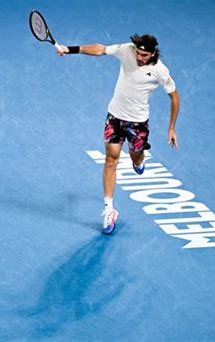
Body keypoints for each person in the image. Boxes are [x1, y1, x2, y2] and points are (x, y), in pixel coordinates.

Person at [57, 34, 180, 235]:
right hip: (114, 117)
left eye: (144, 55)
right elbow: (101, 49)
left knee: (135, 156)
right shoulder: (127, 50)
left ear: (153, 53)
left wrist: (172, 128)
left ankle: (139, 161)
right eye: (138, 53)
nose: (140, 58)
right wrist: (69, 49)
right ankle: (108, 210)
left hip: (138, 124)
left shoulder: (160, 71)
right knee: (111, 160)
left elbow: (174, 97)